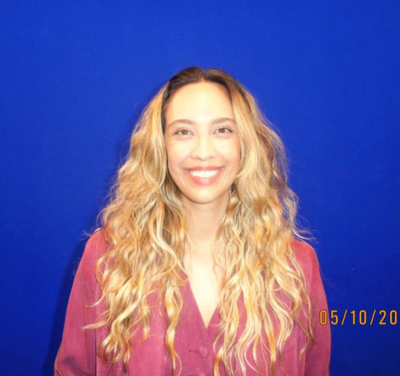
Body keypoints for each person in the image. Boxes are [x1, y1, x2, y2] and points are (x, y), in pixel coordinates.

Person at [55, 67, 331, 376]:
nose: (202, 152)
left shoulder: (296, 267)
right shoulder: (107, 258)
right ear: (161, 146)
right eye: (183, 132)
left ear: (245, 144)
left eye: (222, 130)